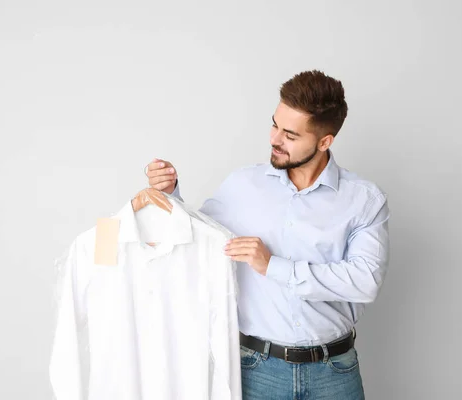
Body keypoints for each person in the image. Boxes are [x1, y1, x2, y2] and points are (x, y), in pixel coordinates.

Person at [145, 70, 390, 400]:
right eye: (274, 124)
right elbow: (196, 240)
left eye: (290, 134)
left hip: (334, 372)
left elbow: (364, 281)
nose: (274, 139)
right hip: (257, 370)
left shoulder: (363, 200)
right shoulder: (243, 185)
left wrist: (272, 265)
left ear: (324, 141)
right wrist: (170, 193)